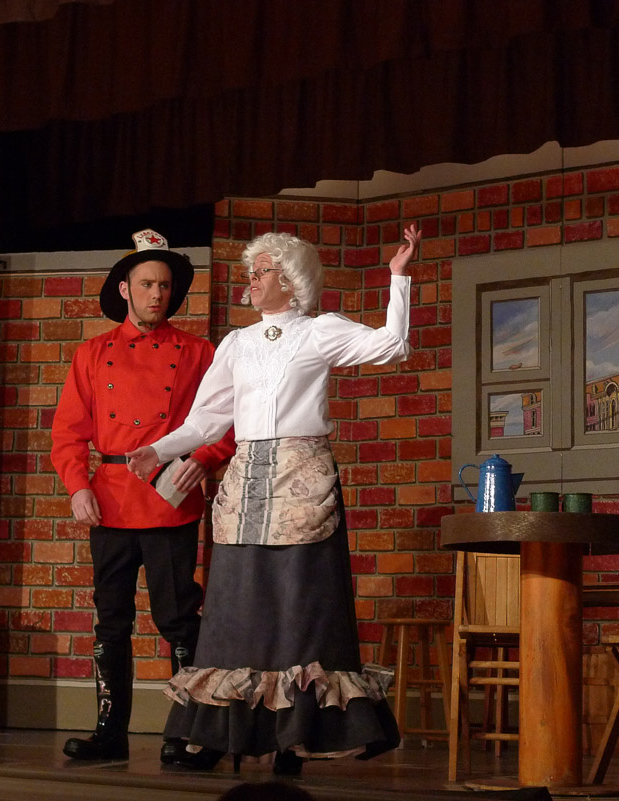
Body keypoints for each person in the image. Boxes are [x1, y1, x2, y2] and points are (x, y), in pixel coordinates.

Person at [126, 225, 421, 775]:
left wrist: (397, 278)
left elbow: (393, 345)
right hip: (247, 484)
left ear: (290, 279)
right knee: (236, 607)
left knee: (298, 606)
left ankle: (294, 738)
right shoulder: (237, 344)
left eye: (261, 271)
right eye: (251, 272)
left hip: (300, 480)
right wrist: (158, 450)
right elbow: (207, 419)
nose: (251, 281)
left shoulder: (318, 331)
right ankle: (224, 734)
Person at [50, 228, 236, 764]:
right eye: (148, 284)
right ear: (125, 289)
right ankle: (109, 733)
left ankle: (187, 731)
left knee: (177, 619)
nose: (158, 294)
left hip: (169, 499)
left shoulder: (199, 352)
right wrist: (77, 486)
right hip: (109, 500)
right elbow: (68, 432)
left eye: (165, 285)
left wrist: (203, 460)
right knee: (111, 620)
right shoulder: (92, 353)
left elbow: (228, 421)